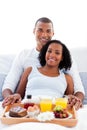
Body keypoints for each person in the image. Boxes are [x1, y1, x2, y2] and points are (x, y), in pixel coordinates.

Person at [2, 17, 85, 110]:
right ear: (34, 31)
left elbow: (78, 89)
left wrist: (76, 100)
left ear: (53, 33)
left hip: (54, 109)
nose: (44, 34)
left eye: (48, 31)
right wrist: (10, 98)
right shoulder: (25, 57)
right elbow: (9, 85)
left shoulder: (66, 63)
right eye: (40, 30)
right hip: (29, 108)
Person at [3, 40, 74, 106]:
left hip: (54, 114)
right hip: (29, 110)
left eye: (57, 53)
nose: (52, 55)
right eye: (49, 51)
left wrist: (71, 98)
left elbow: (68, 102)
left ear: (62, 57)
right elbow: (19, 95)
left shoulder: (67, 78)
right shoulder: (30, 70)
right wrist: (15, 96)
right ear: (45, 53)